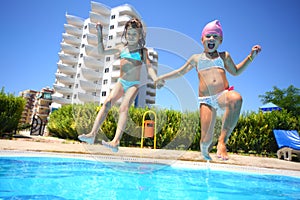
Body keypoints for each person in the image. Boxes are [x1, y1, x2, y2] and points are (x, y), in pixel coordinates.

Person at [156, 20, 261, 160]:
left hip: (222, 95)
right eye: (208, 36)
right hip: (206, 100)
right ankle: (205, 151)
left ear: (221, 40)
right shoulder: (196, 58)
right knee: (205, 141)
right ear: (202, 39)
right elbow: (180, 72)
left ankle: (222, 141)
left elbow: (236, 72)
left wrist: (250, 57)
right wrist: (162, 77)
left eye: (215, 36)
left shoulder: (224, 57)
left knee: (236, 98)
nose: (211, 39)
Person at [78, 18, 160, 152]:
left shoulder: (142, 51)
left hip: (134, 84)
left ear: (139, 36)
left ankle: (116, 141)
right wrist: (99, 33)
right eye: (129, 33)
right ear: (125, 34)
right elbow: (102, 52)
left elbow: (149, 67)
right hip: (121, 82)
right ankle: (92, 134)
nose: (131, 36)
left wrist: (155, 78)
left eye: (134, 34)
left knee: (124, 107)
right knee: (107, 103)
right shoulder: (122, 48)